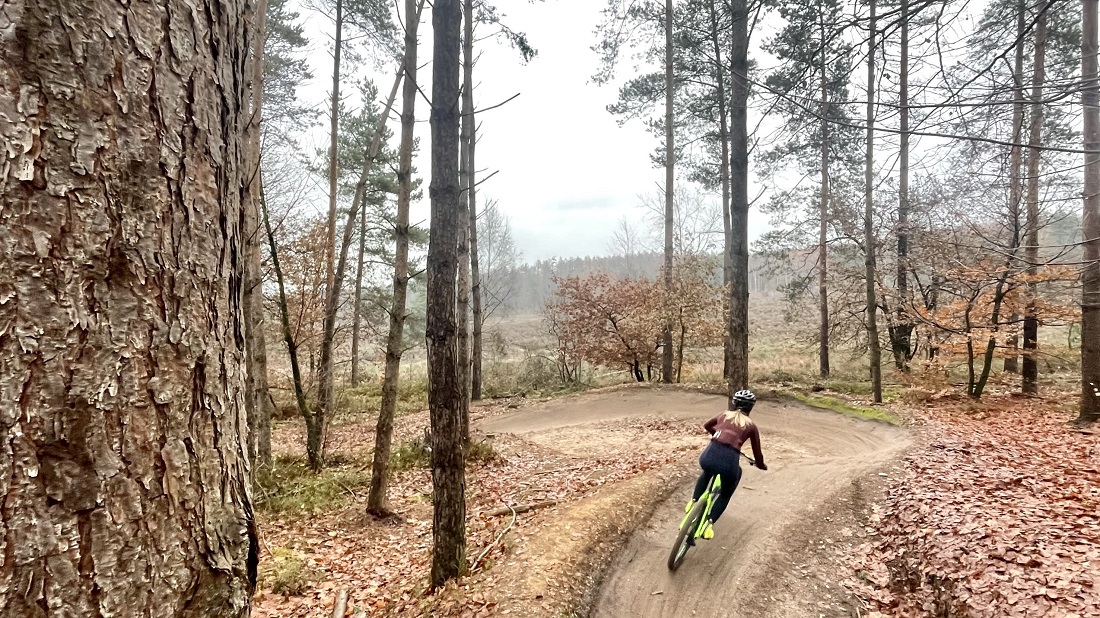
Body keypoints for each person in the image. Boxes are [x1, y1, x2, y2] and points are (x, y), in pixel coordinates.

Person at [685, 389, 767, 539]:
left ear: (734, 403)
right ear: (751, 407)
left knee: (707, 472)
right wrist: (761, 465)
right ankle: (708, 524)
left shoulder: (723, 415)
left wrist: (718, 434)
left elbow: (707, 425)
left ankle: (693, 501)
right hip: (728, 463)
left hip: (708, 456)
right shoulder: (751, 426)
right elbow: (757, 453)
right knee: (725, 493)